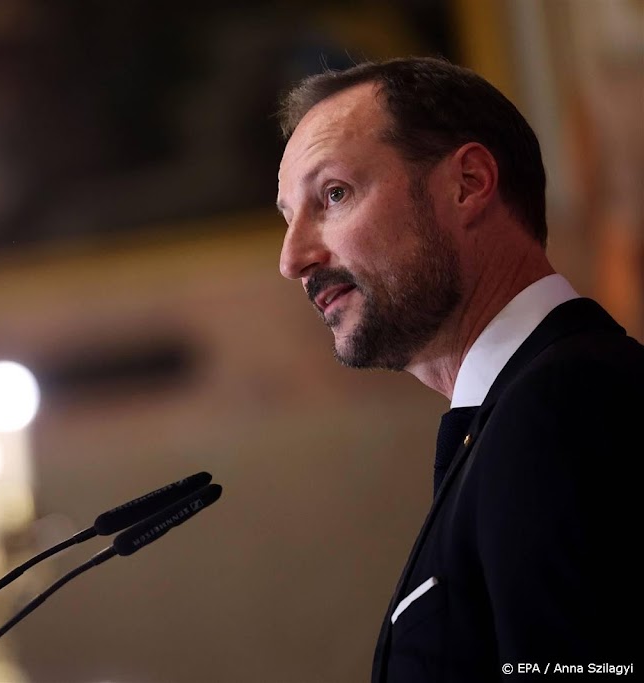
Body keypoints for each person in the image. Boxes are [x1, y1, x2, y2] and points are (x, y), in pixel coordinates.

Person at [275, 57, 642, 681]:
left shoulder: (562, 405)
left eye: (333, 195)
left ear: (468, 183)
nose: (292, 259)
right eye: (288, 219)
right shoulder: (521, 411)